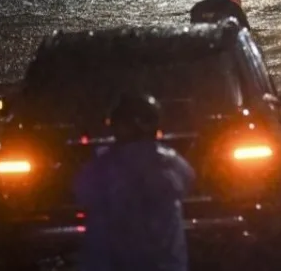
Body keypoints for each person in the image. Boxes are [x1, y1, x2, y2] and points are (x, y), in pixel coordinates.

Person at [74, 93, 195, 271]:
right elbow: (189, 183)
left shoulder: (103, 166)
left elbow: (82, 193)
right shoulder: (173, 163)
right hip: (164, 263)